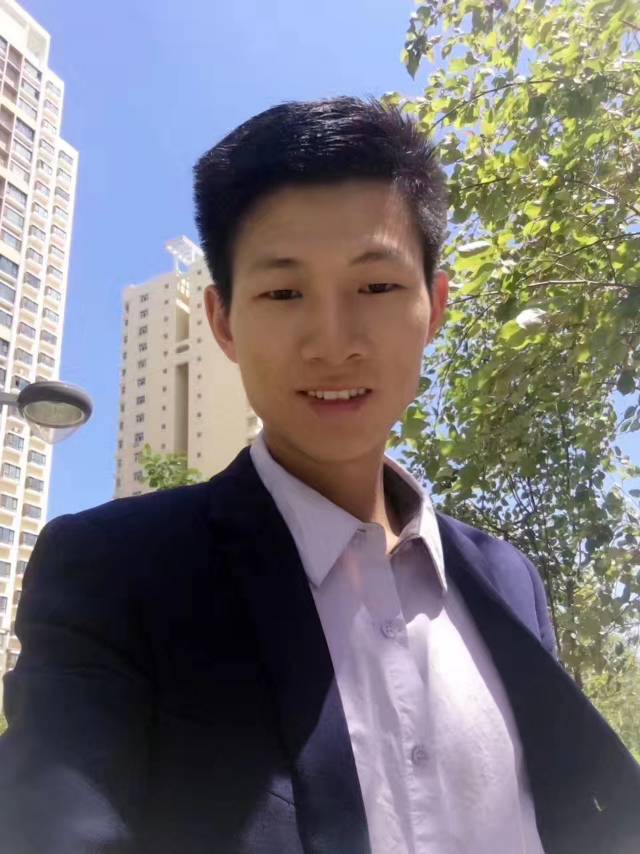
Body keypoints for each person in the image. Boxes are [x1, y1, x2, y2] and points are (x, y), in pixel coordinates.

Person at [1, 96, 639, 854]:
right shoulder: (113, 573)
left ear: (435, 307)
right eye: (283, 292)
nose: (333, 344)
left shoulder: (509, 582)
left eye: (376, 286)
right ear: (223, 321)